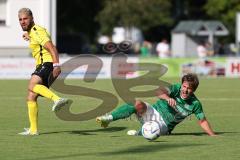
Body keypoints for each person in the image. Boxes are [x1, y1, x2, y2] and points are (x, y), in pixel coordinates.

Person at [96, 73, 216, 136]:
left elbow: (202, 121)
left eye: (189, 88)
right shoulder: (176, 88)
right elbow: (158, 92)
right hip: (152, 111)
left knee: (153, 130)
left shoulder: (195, 104)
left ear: (194, 90)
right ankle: (108, 118)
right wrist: (167, 98)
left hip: (165, 126)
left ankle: (140, 133)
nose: (185, 90)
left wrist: (212, 135)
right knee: (137, 103)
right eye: (184, 86)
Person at [18, 8, 69, 136]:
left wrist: (56, 65)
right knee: (31, 96)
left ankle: (57, 99)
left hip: (47, 64)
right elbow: (39, 43)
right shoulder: (32, 32)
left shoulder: (37, 30)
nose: (22, 22)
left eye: (25, 19)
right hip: (43, 64)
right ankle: (33, 130)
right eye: (20, 19)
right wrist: (29, 37)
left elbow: (51, 47)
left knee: (31, 85)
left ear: (32, 18)